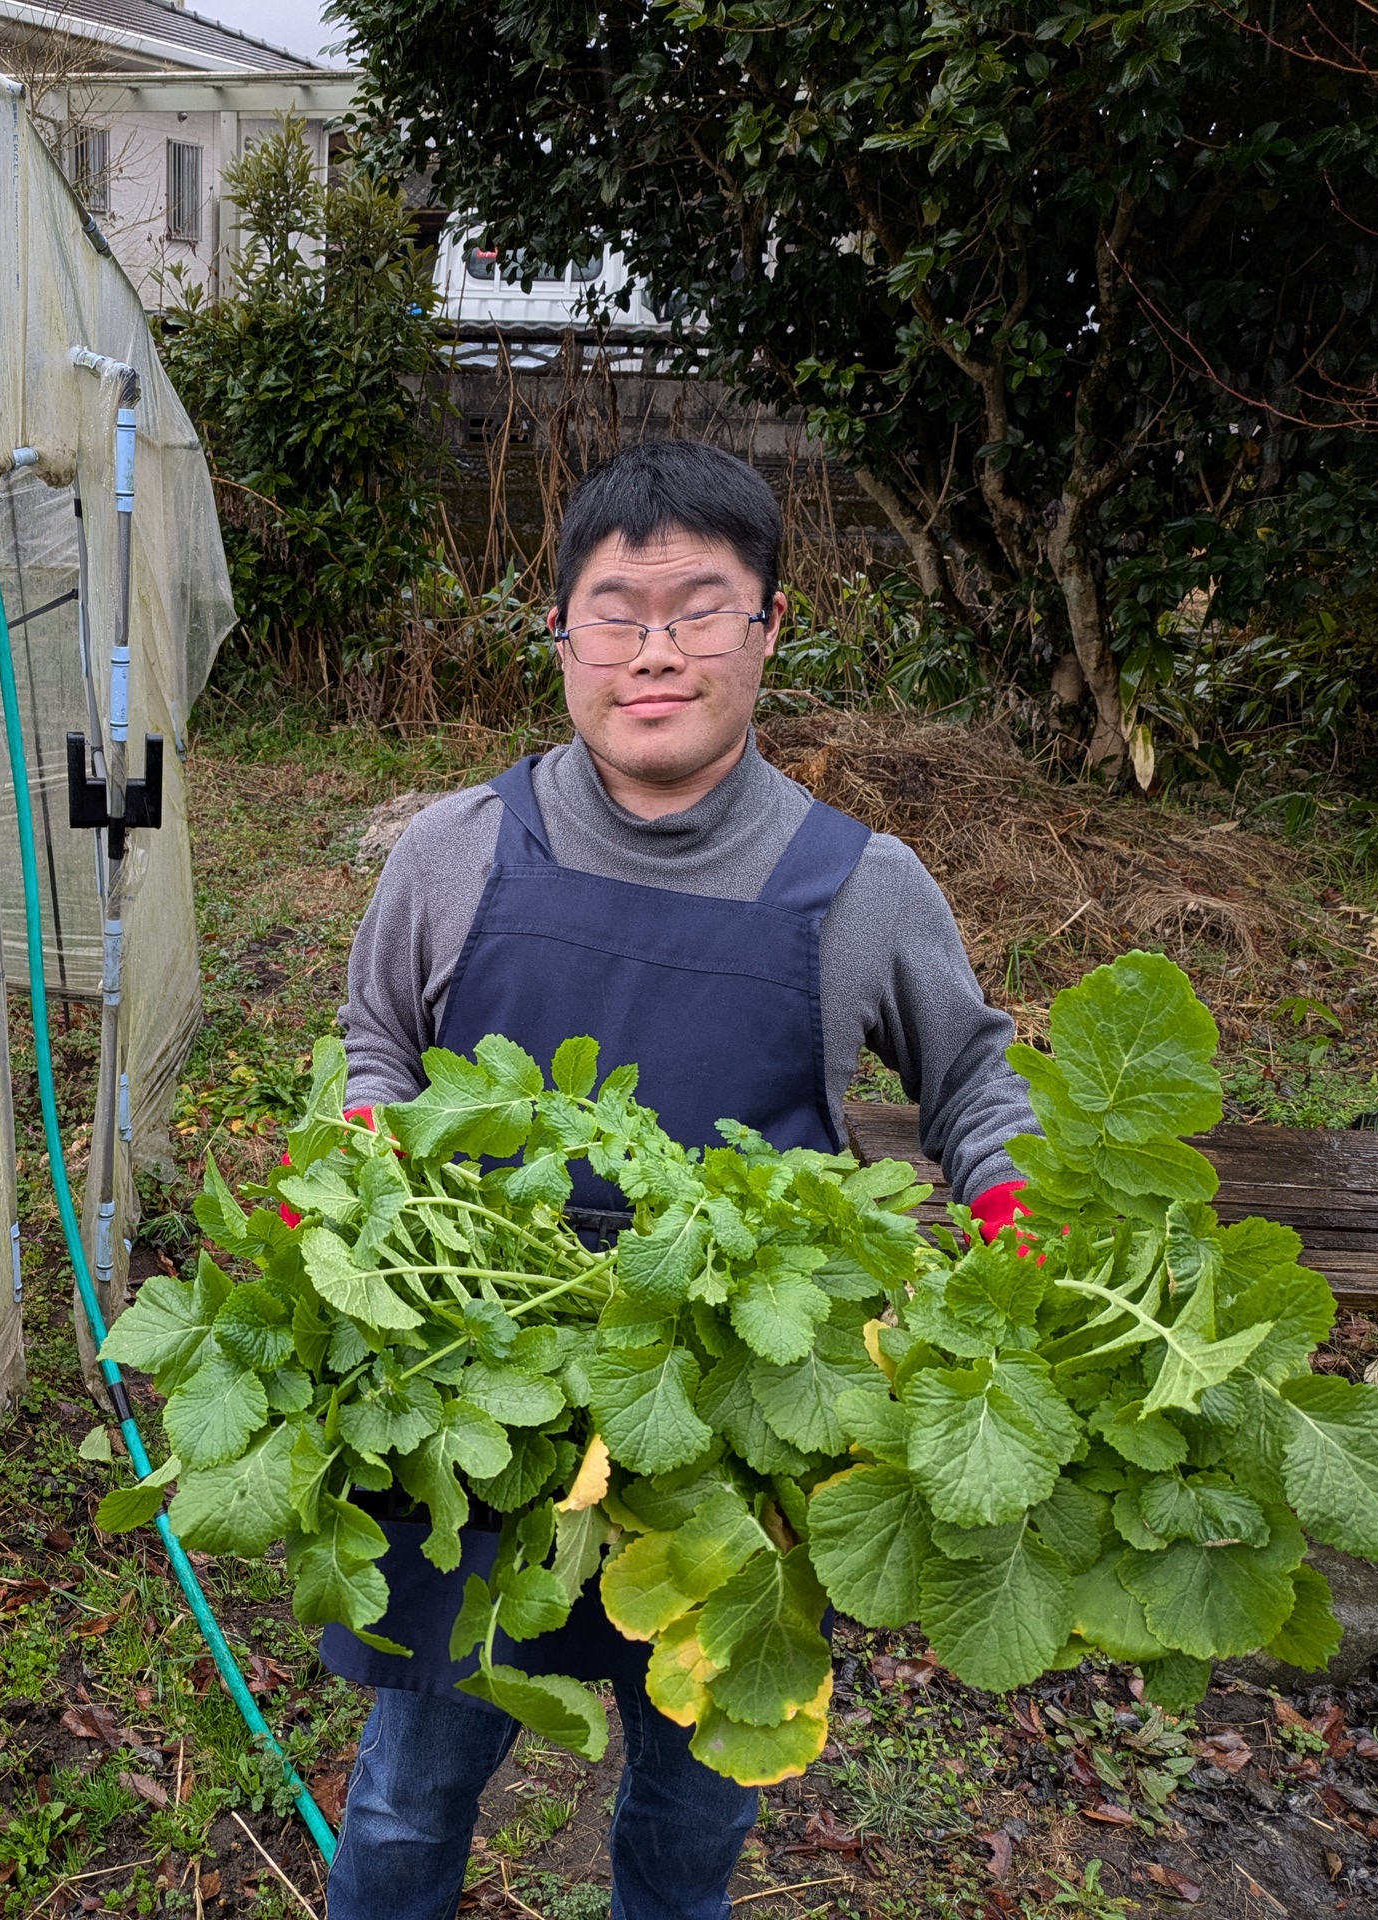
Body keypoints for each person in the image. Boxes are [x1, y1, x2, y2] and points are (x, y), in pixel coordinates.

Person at [323, 439, 1038, 1920]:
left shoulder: (859, 886)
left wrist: (1011, 1212)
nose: (656, 653)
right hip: (477, 1405)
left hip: (735, 1431)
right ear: (560, 637)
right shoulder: (456, 850)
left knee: (692, 1820)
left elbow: (973, 1080)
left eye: (700, 610)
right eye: (617, 612)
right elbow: (377, 1039)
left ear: (770, 628)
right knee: (406, 1799)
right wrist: (363, 1143)